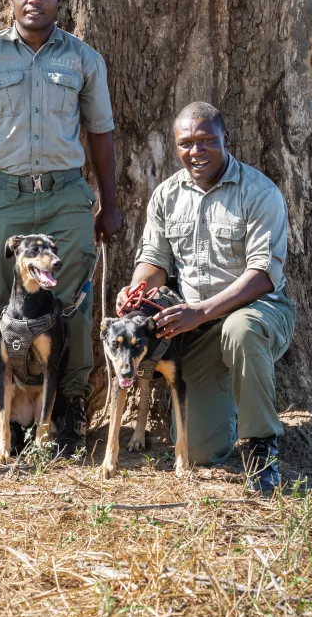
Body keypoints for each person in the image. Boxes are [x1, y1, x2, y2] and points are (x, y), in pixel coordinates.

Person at [0, 0, 123, 457]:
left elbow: (101, 132)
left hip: (67, 195)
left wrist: (108, 204)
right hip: (4, 194)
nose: (35, 0)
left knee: (71, 304)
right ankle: (1, 413)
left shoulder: (83, 59)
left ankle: (66, 412)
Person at [119, 101, 295, 492]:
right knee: (198, 451)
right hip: (197, 330)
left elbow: (264, 274)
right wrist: (137, 291)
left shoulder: (259, 191)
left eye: (205, 141)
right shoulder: (166, 195)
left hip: (259, 313)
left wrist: (199, 310)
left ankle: (261, 448)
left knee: (241, 329)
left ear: (225, 140)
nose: (195, 152)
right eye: (185, 143)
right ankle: (232, 400)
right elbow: (154, 260)